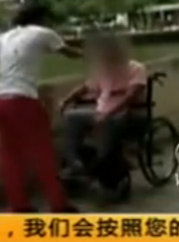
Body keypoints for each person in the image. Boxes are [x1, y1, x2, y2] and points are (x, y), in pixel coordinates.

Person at [0, 1, 81, 213]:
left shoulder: (7, 36)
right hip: (22, 99)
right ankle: (58, 205)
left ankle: (18, 205)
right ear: (42, 18)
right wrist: (91, 55)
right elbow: (69, 52)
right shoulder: (43, 33)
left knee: (9, 155)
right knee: (43, 153)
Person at [60, 35, 147, 178]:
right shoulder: (104, 70)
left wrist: (109, 113)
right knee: (72, 117)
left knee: (107, 123)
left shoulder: (136, 68)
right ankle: (74, 162)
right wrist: (66, 100)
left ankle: (102, 165)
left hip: (126, 112)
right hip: (101, 111)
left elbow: (130, 96)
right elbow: (85, 88)